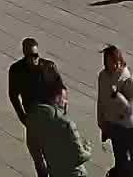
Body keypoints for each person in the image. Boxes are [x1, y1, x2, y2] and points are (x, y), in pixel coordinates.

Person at [24, 68, 92, 177]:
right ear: (56, 98)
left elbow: (32, 146)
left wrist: (41, 165)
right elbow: (80, 157)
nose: (66, 102)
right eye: (64, 98)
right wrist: (87, 149)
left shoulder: (34, 117)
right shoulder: (66, 124)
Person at [9, 38, 54, 177]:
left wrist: (60, 112)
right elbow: (13, 95)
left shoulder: (48, 67)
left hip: (49, 118)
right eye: (30, 56)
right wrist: (22, 117)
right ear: (24, 54)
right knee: (37, 156)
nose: (33, 59)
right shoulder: (16, 70)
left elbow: (60, 90)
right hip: (32, 118)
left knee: (51, 155)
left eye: (35, 55)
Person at [97, 45, 133, 175]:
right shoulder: (103, 77)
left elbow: (130, 112)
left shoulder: (131, 83)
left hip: (130, 129)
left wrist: (118, 97)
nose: (113, 66)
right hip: (114, 126)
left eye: (115, 62)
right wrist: (102, 123)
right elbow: (101, 101)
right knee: (120, 162)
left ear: (120, 62)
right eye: (108, 62)